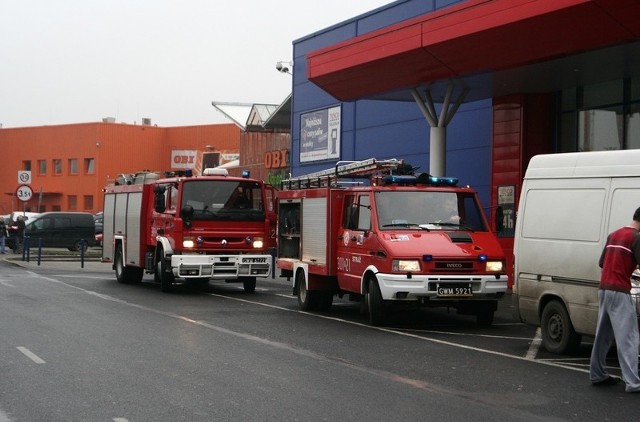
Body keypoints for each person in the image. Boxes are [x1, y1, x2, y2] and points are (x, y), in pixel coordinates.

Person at [589, 207, 640, 392]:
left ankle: (597, 375)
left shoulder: (614, 234)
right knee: (629, 337)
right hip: (620, 291)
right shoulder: (636, 237)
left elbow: (602, 263)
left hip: (604, 289)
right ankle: (634, 383)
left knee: (602, 336)